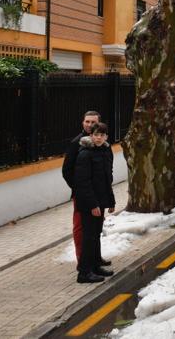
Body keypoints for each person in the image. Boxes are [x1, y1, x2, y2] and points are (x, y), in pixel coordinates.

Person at [73, 122, 116, 283]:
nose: (98, 138)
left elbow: (107, 179)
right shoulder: (85, 154)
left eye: (102, 135)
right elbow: (83, 182)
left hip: (100, 201)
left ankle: (95, 266)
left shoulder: (104, 151)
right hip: (89, 204)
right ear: (91, 136)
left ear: (106, 137)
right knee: (88, 237)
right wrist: (93, 205)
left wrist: (110, 202)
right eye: (96, 135)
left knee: (95, 235)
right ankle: (84, 273)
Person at [62, 110, 106, 266]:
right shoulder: (76, 143)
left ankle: (95, 258)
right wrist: (79, 189)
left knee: (96, 228)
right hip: (83, 194)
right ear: (83, 123)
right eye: (87, 121)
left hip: (98, 194)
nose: (89, 125)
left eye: (93, 122)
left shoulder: (100, 142)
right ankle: (83, 261)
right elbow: (66, 171)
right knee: (81, 227)